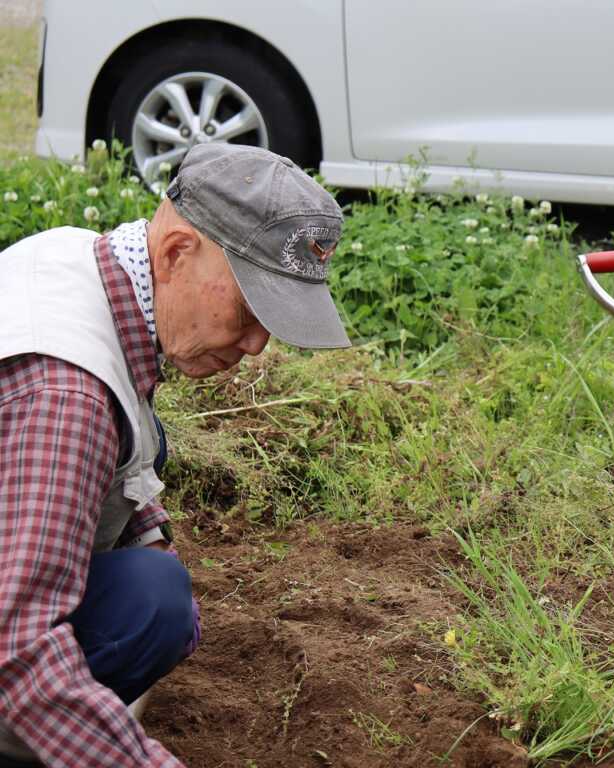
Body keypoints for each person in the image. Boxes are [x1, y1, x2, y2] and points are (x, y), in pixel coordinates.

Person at [0, 143, 350, 767]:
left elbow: (126, 450)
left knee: (155, 583)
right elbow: (16, 651)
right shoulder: (66, 397)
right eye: (249, 308)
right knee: (147, 605)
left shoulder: (81, 264)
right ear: (175, 253)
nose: (257, 344)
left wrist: (149, 534)